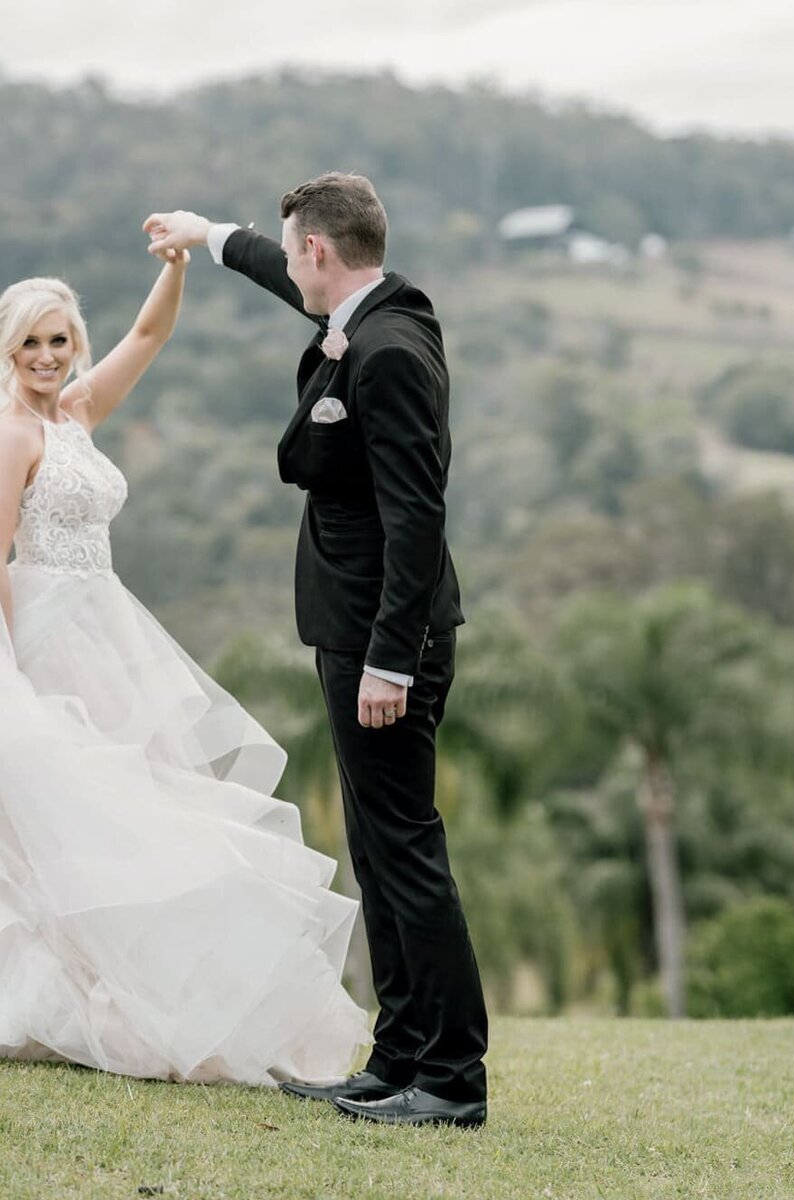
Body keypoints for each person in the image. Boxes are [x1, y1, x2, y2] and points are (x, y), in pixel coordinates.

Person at [0, 249, 369, 1088]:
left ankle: (138, 992)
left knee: (131, 813)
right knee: (66, 821)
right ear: (6, 352)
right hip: (43, 634)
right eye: (33, 343)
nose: (48, 356)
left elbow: (149, 333)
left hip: (106, 629)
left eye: (61, 339)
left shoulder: (75, 413)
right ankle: (86, 996)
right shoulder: (7, 431)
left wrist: (178, 261)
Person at [143, 173, 490, 1127]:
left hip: (386, 639)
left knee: (408, 851)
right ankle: (399, 1058)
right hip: (353, 629)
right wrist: (208, 235)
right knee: (380, 853)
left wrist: (391, 659)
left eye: (294, 252)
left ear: (321, 254)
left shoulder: (385, 349)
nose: (290, 267)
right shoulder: (373, 309)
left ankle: (453, 1079)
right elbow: (271, 269)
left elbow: (419, 515)